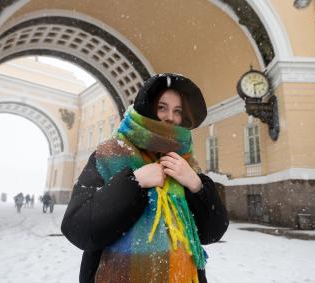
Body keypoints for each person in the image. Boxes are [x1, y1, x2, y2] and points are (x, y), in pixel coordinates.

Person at [61, 73, 229, 283]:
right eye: (162, 107)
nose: (170, 117)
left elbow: (212, 233)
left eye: (177, 111)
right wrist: (134, 183)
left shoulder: (186, 163)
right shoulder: (109, 156)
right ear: (147, 108)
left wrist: (196, 185)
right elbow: (78, 227)